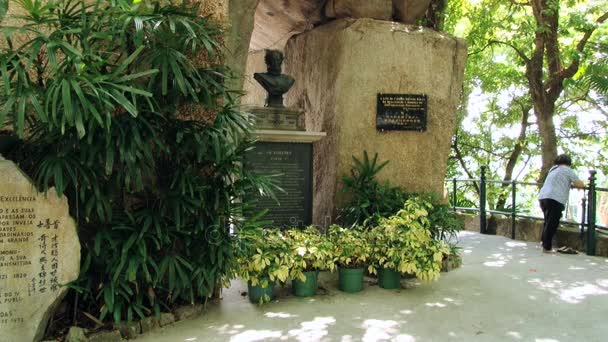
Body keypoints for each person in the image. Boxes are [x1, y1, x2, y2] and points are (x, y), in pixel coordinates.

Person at [538, 154, 585, 253]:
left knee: (547, 221)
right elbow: (580, 184)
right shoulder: (567, 170)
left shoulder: (553, 170)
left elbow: (558, 182)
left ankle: (543, 242)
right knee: (552, 223)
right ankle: (546, 248)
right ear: (568, 163)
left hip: (543, 197)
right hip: (555, 198)